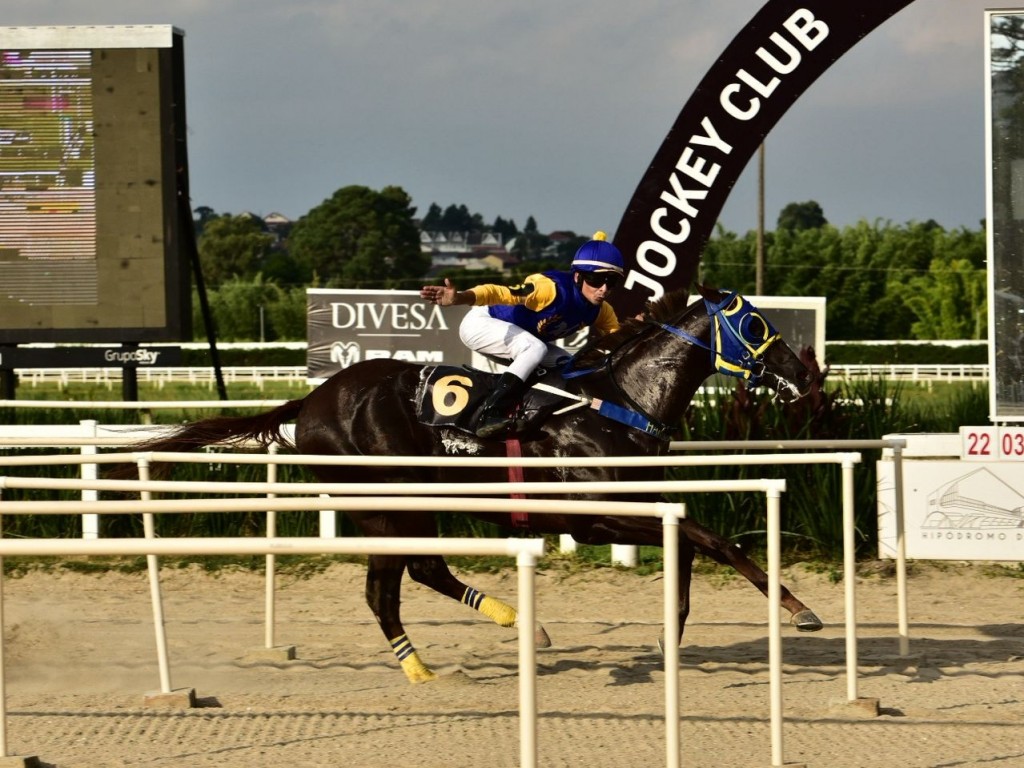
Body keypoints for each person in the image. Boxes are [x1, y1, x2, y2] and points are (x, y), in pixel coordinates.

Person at [420, 230, 625, 438]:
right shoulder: (550, 290)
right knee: (535, 348)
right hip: (482, 324)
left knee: (568, 364)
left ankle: (528, 411)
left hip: (520, 341)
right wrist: (460, 298)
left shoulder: (602, 311)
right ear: (578, 276)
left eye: (611, 282)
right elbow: (497, 292)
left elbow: (620, 341)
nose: (604, 289)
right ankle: (491, 413)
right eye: (596, 280)